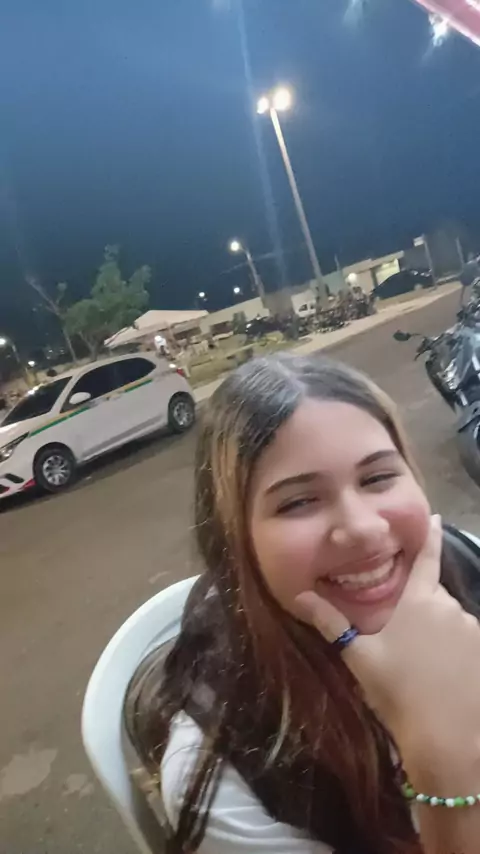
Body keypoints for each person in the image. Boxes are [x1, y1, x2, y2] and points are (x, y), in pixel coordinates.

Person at [128, 353, 480, 854]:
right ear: (235, 544)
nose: (363, 528)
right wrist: (442, 768)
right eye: (298, 502)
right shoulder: (226, 774)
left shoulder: (463, 561)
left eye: (377, 478)